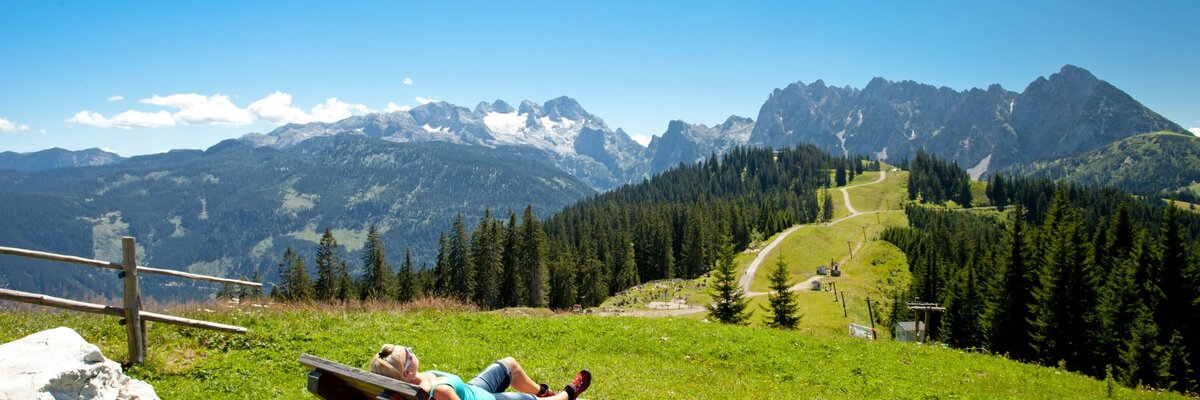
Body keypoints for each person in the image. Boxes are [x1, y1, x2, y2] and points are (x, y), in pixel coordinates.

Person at [369, 344, 591, 400]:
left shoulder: (415, 384)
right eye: (408, 354)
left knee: (509, 365)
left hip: (471, 389)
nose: (411, 350)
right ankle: (568, 393)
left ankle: (544, 392)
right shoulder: (440, 392)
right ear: (406, 374)